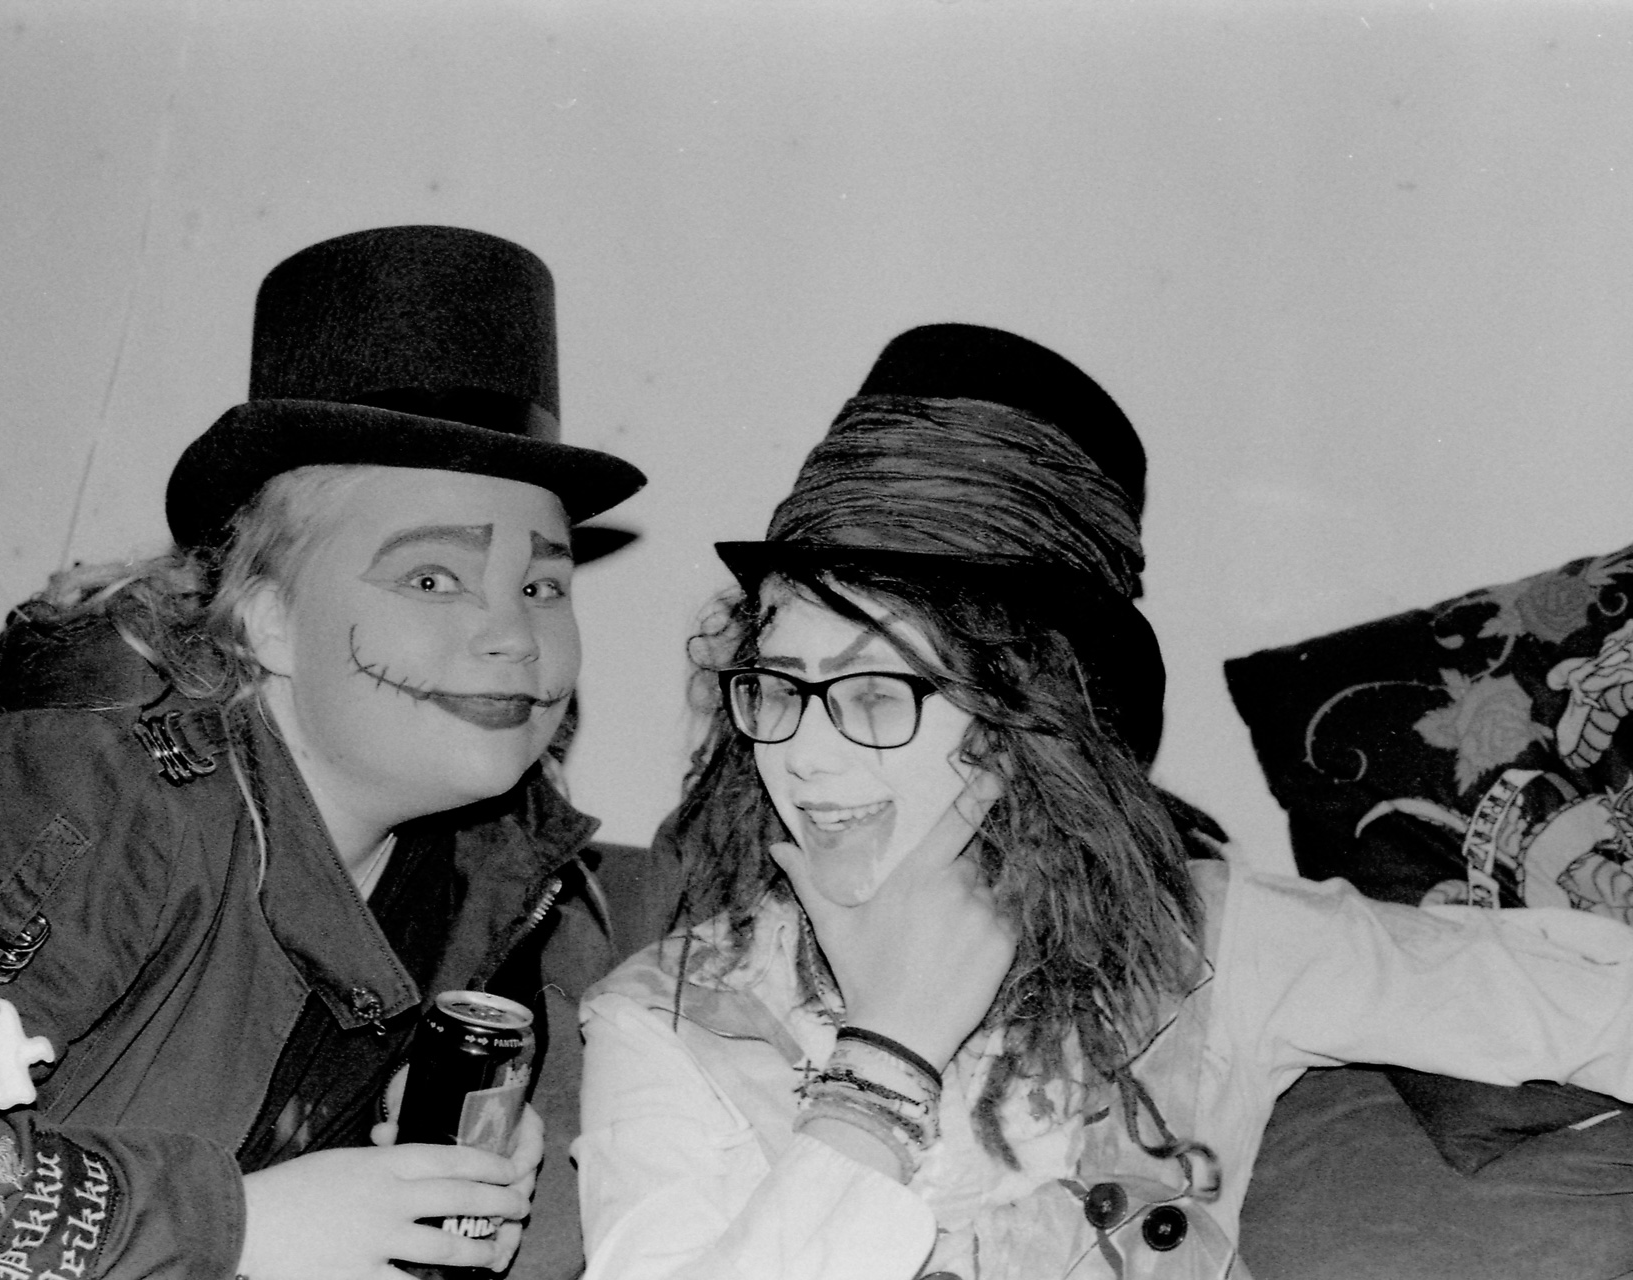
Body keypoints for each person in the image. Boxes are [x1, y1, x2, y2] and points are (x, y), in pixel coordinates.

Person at [573, 324, 1633, 1279]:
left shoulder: (1210, 940)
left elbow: (1579, 1002)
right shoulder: (669, 1014)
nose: (801, 756)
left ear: (1024, 713)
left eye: (872, 692)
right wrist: (884, 1062)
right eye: (779, 686)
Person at [0, 225, 646, 1280]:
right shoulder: (75, 789)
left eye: (544, 584)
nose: (512, 634)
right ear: (265, 615)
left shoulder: (504, 864)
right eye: (431, 577)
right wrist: (244, 1224)